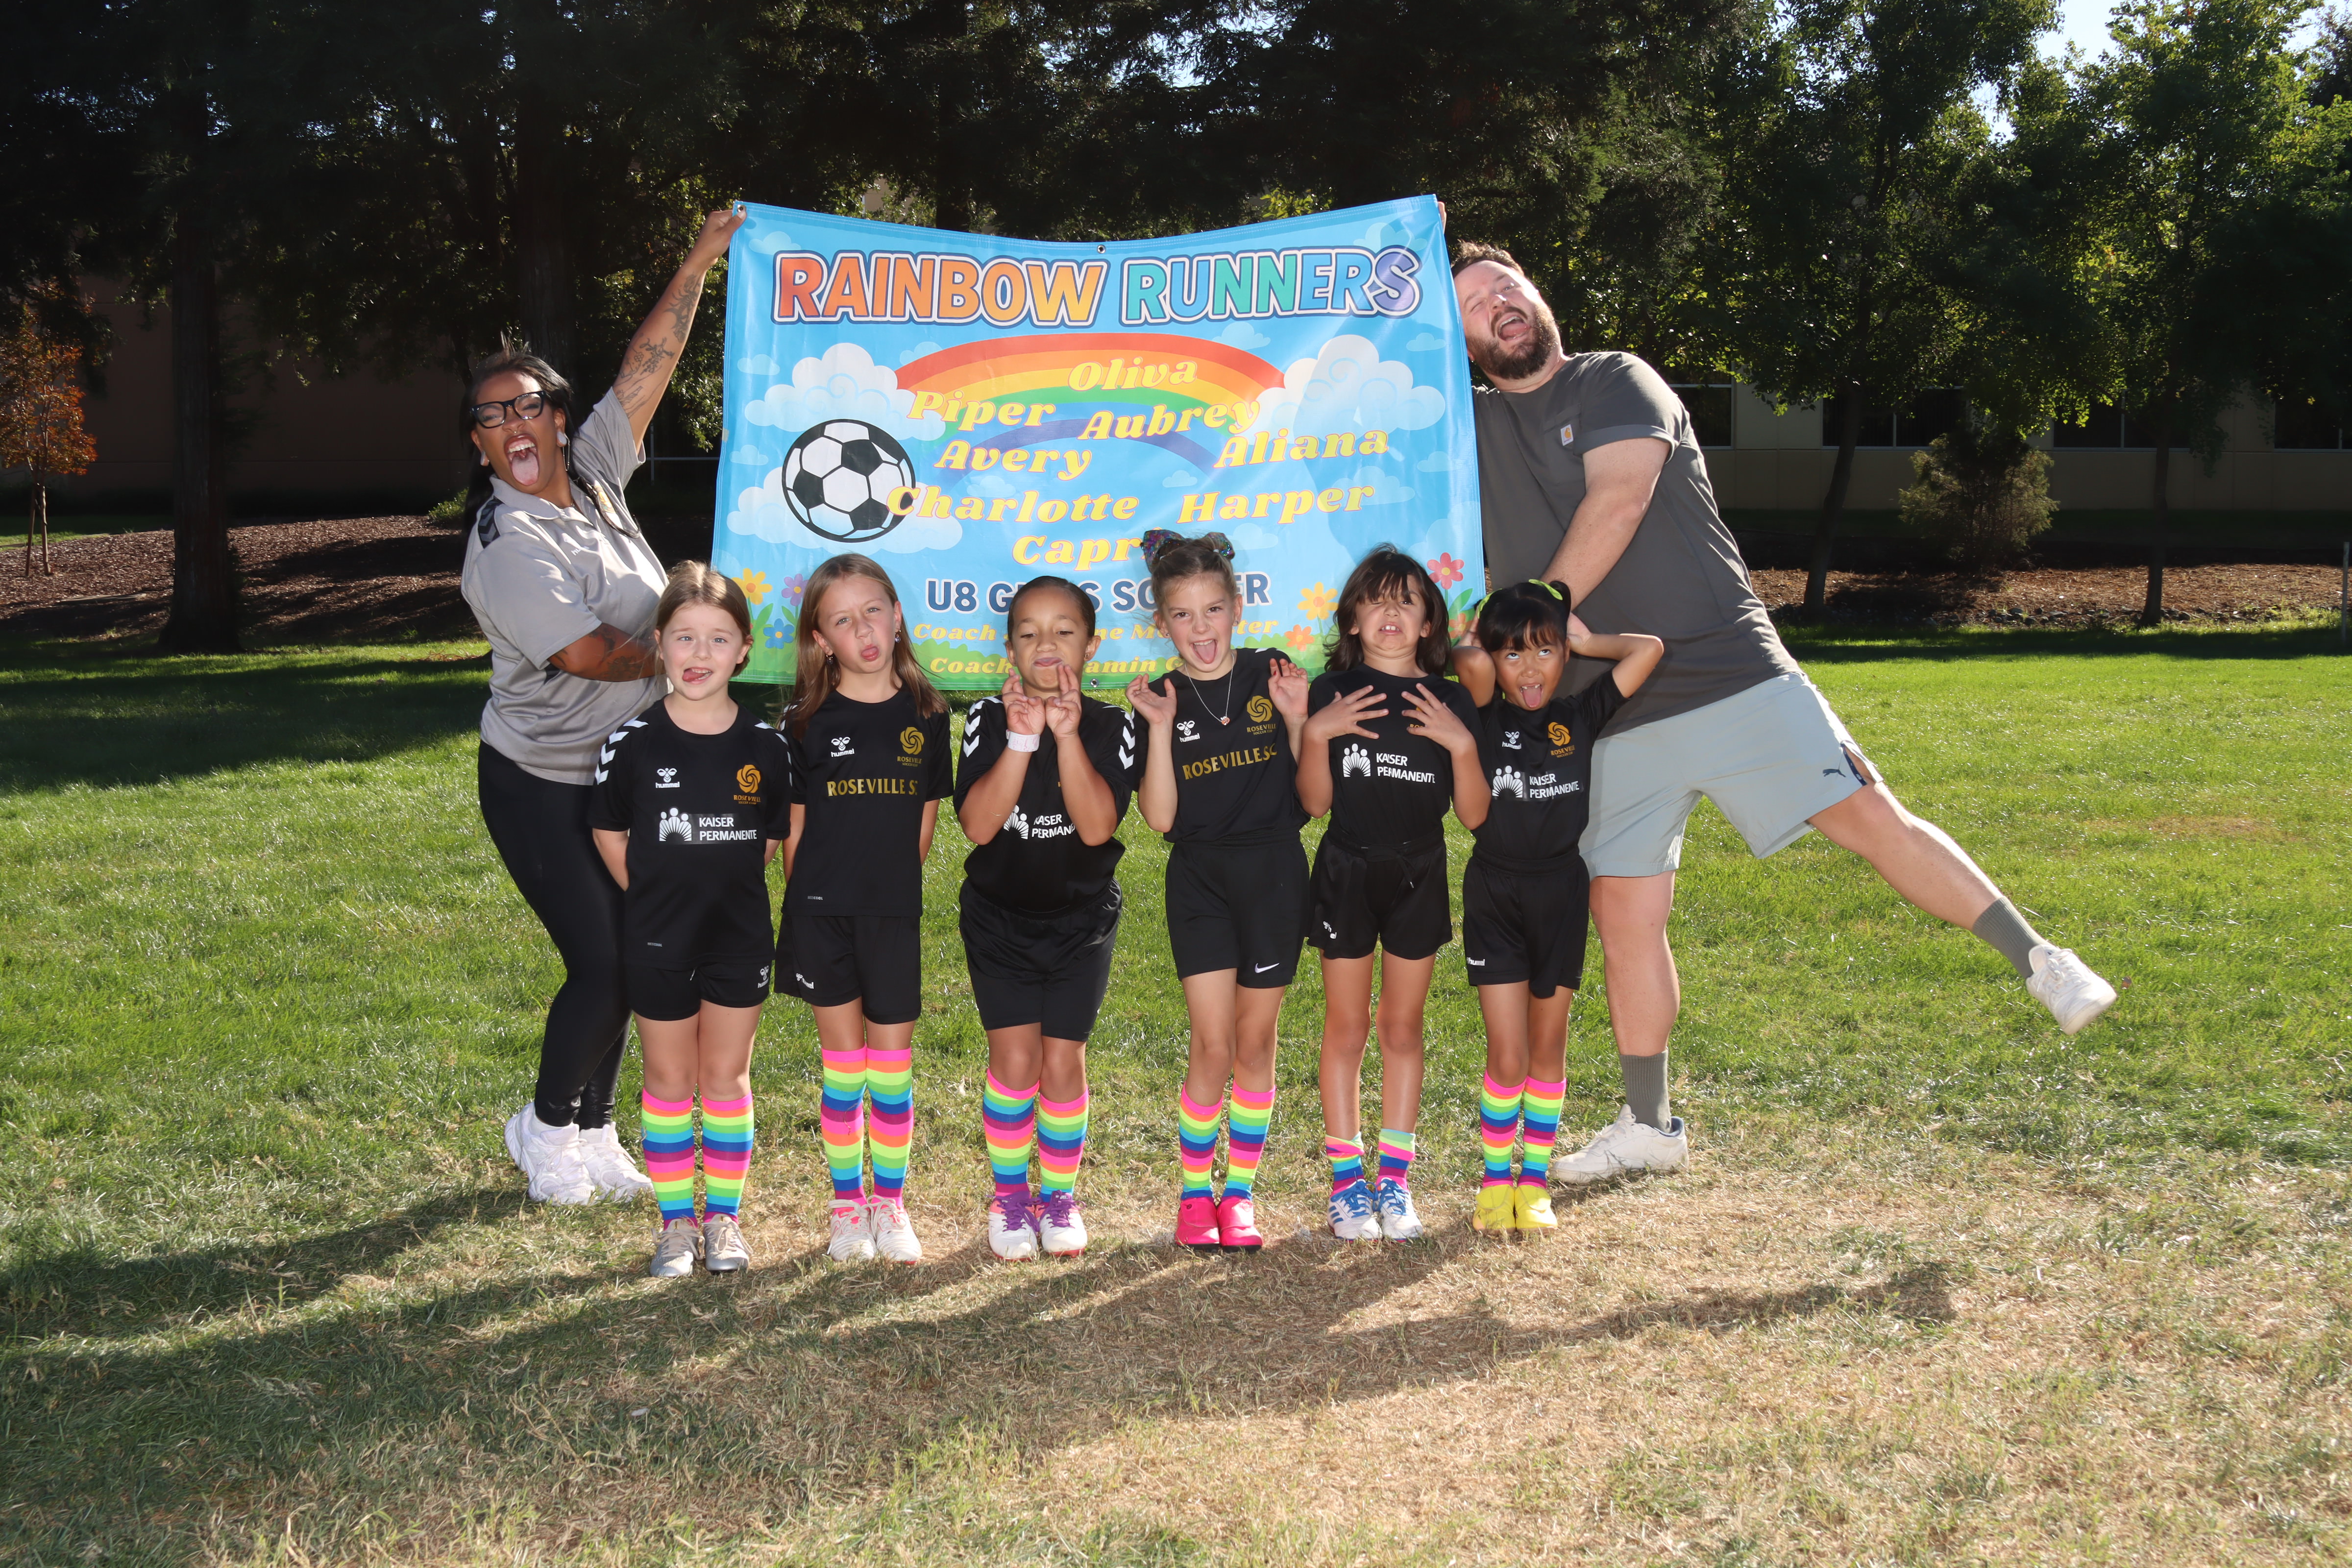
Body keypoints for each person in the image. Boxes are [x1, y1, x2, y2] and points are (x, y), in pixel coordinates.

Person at [1451, 241, 2118, 1183]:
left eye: (1506, 286)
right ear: (1457, 339)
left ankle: (2043, 960)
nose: (1498, 304)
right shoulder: (1462, 428)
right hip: (1604, 710)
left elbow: (1622, 497)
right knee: (1624, 913)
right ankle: (1652, 1126)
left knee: (1871, 819)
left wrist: (1540, 612)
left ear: (1539, 294)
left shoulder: (1614, 380)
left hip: (1726, 669)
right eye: (1472, 304)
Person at [462, 207, 745, 1206]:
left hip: (623, 771)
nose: (513, 425)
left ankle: (595, 1129)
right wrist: (695, 652)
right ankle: (543, 1129)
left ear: (557, 417)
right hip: (541, 781)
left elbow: (646, 370)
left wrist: (701, 258)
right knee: (609, 960)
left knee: (641, 946)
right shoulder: (508, 542)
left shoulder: (591, 474)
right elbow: (587, 654)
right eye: (492, 417)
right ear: (482, 446)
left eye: (528, 406)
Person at [588, 563, 789, 1276]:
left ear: (744, 650)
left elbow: (768, 841)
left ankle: (724, 1219)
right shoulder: (632, 743)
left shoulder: (767, 748)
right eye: (684, 637)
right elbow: (609, 831)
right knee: (670, 1079)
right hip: (658, 938)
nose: (699, 654)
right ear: (659, 643)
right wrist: (651, 893)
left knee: (726, 1078)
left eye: (718, 639)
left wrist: (718, 887)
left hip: (738, 937)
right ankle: (677, 1224)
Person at [1450, 582, 1661, 1231]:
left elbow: (1648, 650)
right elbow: (1469, 660)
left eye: (1544, 651)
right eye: (1513, 654)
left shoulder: (1580, 713)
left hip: (1561, 893)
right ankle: (1496, 1183)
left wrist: (1583, 640)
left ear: (1564, 656)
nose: (1530, 668)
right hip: (1495, 893)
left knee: (1547, 1047)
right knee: (1507, 1054)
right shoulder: (1483, 714)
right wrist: (1480, 633)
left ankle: (1534, 1181)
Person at [1126, 531, 1311, 1253]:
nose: (1200, 629)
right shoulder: (1160, 698)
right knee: (1212, 1043)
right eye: (1182, 615)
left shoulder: (1274, 672)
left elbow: (1312, 795)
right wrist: (1160, 731)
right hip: (1200, 879)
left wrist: (1297, 718)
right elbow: (1160, 818)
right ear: (1160, 623)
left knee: (1255, 1043)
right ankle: (1193, 1194)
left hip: (1274, 875)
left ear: (1238, 607)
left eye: (1212, 610)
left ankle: (1239, 1195)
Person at [1296, 547, 1487, 1244]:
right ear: (1351, 618)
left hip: (1419, 873)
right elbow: (1314, 804)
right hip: (1346, 869)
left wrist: (1463, 747)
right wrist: (1317, 732)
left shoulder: (1450, 700)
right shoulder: (1332, 691)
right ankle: (1348, 1183)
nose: (1391, 613)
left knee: (1402, 1028)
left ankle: (1396, 1181)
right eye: (1376, 600)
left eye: (1407, 601)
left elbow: (1475, 816)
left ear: (1429, 621)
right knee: (1346, 1028)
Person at [774, 555, 953, 1265]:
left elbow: (923, 827)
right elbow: (795, 833)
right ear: (822, 640)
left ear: (897, 615)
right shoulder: (803, 723)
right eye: (843, 620)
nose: (865, 630)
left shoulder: (928, 715)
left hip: (891, 914)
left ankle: (892, 1202)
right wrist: (810, 906)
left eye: (873, 611)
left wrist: (888, 891)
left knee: (892, 1066)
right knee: (845, 1067)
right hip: (823, 917)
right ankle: (848, 1206)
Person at [955, 577, 1140, 1261]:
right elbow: (978, 826)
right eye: (1029, 633)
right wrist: (1023, 740)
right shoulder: (986, 718)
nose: (1047, 644)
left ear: (1091, 646)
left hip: (1080, 922)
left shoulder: (1112, 725)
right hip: (998, 919)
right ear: (1009, 649)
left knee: (1063, 1060)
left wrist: (1065, 736)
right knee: (1014, 1059)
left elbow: (1095, 829)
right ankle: (1010, 1198)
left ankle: (1058, 1197)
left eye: (1065, 631)